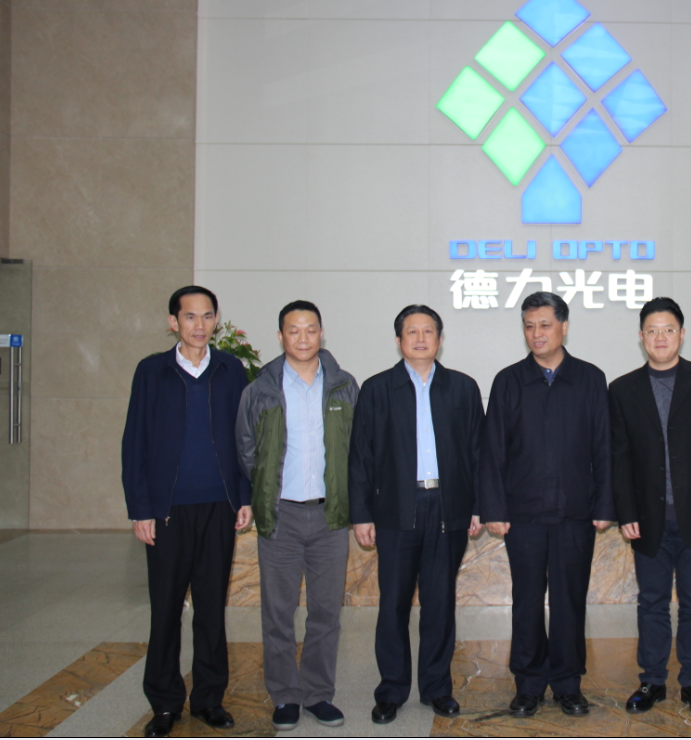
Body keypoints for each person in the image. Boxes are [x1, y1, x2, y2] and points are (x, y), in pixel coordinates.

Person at [121, 286, 253, 738]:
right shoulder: (152, 371)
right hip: (167, 510)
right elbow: (134, 441)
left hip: (219, 506)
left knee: (212, 608)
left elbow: (244, 439)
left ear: (216, 320)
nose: (200, 325)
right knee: (166, 609)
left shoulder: (230, 369)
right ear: (173, 322)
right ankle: (164, 702)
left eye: (207, 316)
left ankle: (209, 699)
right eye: (190, 317)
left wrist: (244, 496)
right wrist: (140, 508)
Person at [478, 291, 614, 718]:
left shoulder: (590, 379)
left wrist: (604, 504)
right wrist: (495, 509)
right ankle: (529, 683)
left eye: (545, 325)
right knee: (527, 600)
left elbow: (604, 448)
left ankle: (568, 683)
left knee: (571, 600)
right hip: (524, 515)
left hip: (575, 513)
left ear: (564, 327)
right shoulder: (508, 381)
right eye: (529, 325)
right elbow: (493, 451)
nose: (536, 333)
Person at [348, 305, 484, 725]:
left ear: (440, 339)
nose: (421, 338)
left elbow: (478, 452)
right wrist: (361, 514)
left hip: (447, 507)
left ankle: (437, 687)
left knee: (440, 603)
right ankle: (391, 690)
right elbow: (360, 456)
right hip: (395, 510)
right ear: (398, 340)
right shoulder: (377, 389)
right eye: (412, 331)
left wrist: (478, 506)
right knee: (393, 604)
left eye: (428, 331)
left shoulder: (462, 388)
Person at [609, 297, 691, 717]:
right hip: (648, 519)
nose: (660, 337)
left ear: (682, 334)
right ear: (641, 337)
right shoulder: (622, 389)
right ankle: (652, 680)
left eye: (668, 329)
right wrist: (626, 512)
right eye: (652, 330)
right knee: (652, 602)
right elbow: (619, 457)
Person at [236, 301, 359, 731]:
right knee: (278, 613)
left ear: (321, 334)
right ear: (280, 336)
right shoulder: (260, 390)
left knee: (326, 614)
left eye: (310, 330)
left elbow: (357, 450)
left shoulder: (344, 386)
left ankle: (318, 694)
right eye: (294, 330)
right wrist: (265, 492)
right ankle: (286, 695)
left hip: (330, 517)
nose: (303, 338)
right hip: (281, 516)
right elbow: (246, 450)